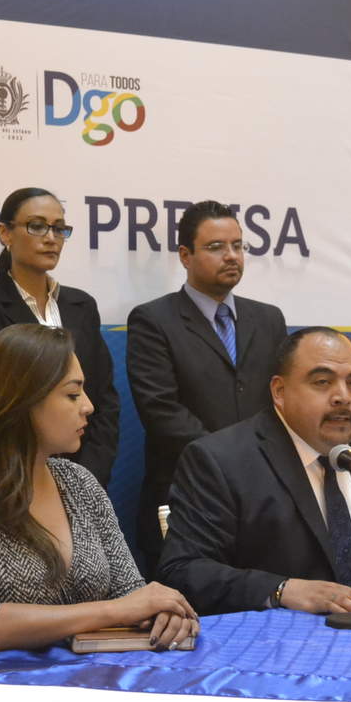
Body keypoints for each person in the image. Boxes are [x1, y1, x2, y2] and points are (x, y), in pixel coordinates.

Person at [158, 327, 351, 616]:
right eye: (322, 382)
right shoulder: (222, 460)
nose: (343, 397)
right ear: (279, 392)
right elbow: (183, 570)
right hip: (291, 642)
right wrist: (282, 590)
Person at [0, 324, 196, 652]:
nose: (88, 406)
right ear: (22, 400)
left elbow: (130, 592)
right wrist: (114, 611)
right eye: (72, 394)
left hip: (86, 674)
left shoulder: (79, 483)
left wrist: (162, 613)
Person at [127, 200, 288, 563]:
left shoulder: (268, 320)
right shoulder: (153, 320)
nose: (231, 256)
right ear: (186, 255)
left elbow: (282, 401)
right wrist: (229, 461)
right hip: (188, 494)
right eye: (216, 247)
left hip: (263, 498)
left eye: (237, 245)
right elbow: (161, 411)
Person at [0, 188, 119, 485]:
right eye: (37, 226)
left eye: (59, 228)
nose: (51, 238)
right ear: (5, 233)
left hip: (87, 471)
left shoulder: (82, 305)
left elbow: (104, 398)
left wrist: (90, 475)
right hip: (18, 477)